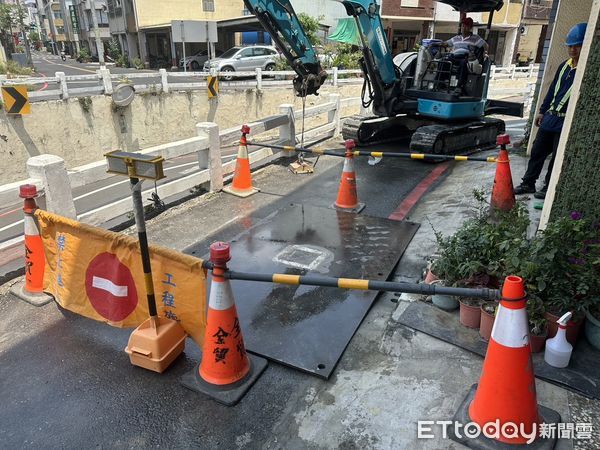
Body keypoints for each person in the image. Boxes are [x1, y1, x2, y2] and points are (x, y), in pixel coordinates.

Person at [514, 23, 587, 199]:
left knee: (556, 157)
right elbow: (553, 89)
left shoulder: (584, 69)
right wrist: (542, 111)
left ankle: (548, 187)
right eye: (570, 46)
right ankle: (528, 183)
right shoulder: (564, 66)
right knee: (538, 151)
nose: (572, 49)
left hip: (565, 121)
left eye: (577, 45)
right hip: (550, 118)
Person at [442, 17, 489, 94]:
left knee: (463, 63)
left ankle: (459, 86)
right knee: (443, 61)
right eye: (463, 26)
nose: (463, 28)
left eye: (466, 26)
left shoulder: (475, 38)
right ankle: (440, 82)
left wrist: (485, 52)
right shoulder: (456, 38)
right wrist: (435, 43)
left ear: (470, 28)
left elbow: (485, 45)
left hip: (466, 57)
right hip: (454, 57)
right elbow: (445, 43)